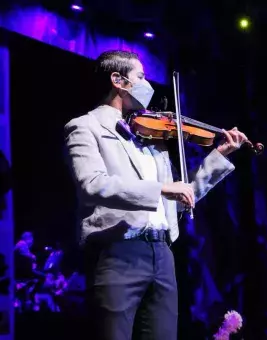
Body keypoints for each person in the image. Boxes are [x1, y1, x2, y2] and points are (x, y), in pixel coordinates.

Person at [64, 50, 248, 340]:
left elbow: (179, 198)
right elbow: (92, 184)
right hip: (118, 250)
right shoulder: (85, 127)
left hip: (162, 253)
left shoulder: (152, 138)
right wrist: (161, 188)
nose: (147, 84)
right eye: (140, 76)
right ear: (118, 80)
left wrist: (218, 156)